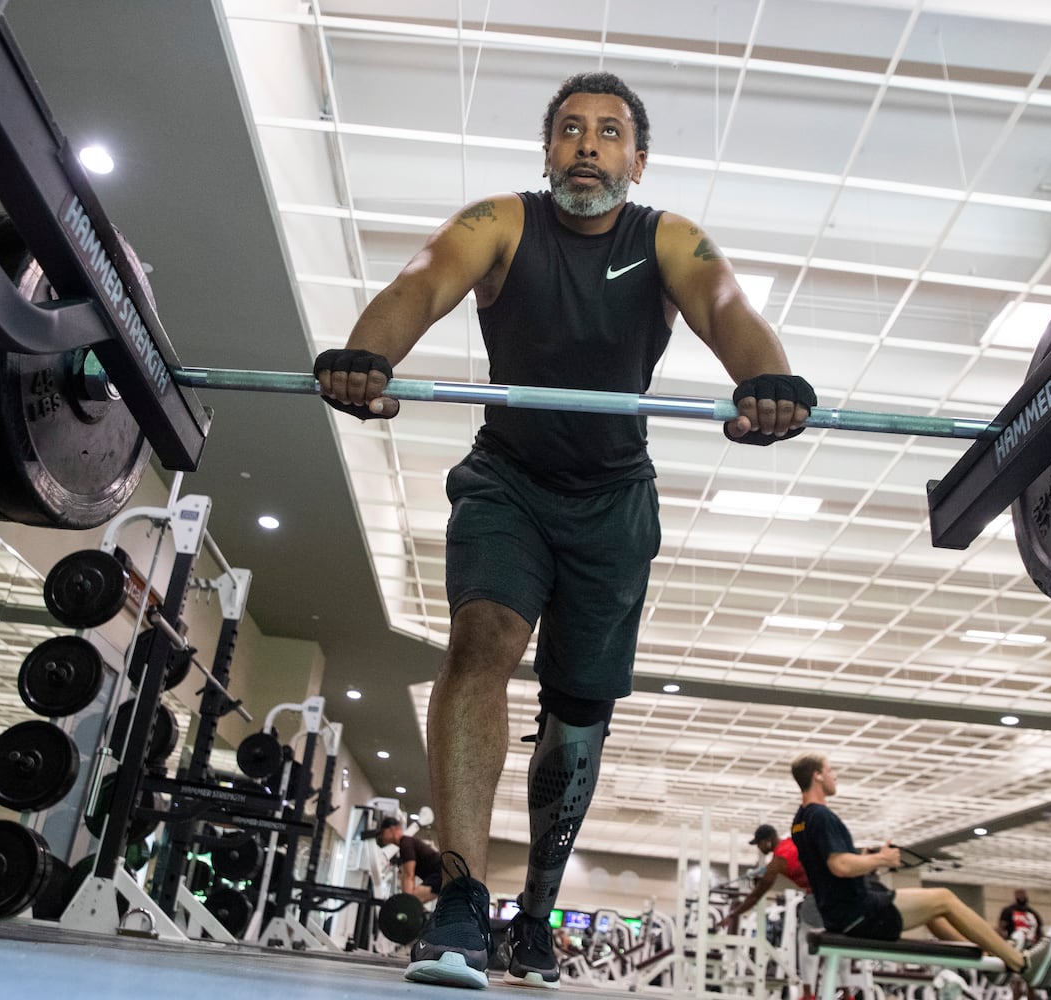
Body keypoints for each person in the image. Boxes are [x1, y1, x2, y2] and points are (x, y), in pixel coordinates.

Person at [317, 70, 814, 990]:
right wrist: (369, 356)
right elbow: (422, 283)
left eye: (609, 132)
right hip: (509, 479)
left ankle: (539, 907)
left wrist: (767, 380)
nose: (589, 145)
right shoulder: (498, 221)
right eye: (571, 131)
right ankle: (461, 899)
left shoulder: (666, 236)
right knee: (480, 641)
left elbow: (726, 306)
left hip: (614, 502)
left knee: (578, 718)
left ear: (637, 158)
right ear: (548, 152)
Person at [787, 753, 1051, 990]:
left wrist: (865, 858)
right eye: (830, 770)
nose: (835, 775)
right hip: (859, 913)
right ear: (818, 776)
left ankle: (993, 961)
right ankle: (1023, 964)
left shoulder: (800, 821)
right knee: (944, 898)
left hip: (842, 912)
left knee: (934, 911)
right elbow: (840, 866)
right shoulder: (821, 815)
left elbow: (829, 865)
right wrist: (881, 859)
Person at [716, 823, 810, 931]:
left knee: (806, 935)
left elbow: (755, 896)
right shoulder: (790, 842)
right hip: (822, 887)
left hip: (819, 892)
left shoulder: (778, 861)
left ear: (768, 841)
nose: (759, 848)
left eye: (759, 844)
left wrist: (732, 915)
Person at [376, 816, 444, 903]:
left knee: (412, 901)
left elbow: (409, 875)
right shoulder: (404, 845)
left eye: (382, 833)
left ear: (391, 829)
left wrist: (405, 902)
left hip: (440, 874)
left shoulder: (406, 843)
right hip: (437, 876)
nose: (381, 837)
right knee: (410, 901)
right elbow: (405, 876)